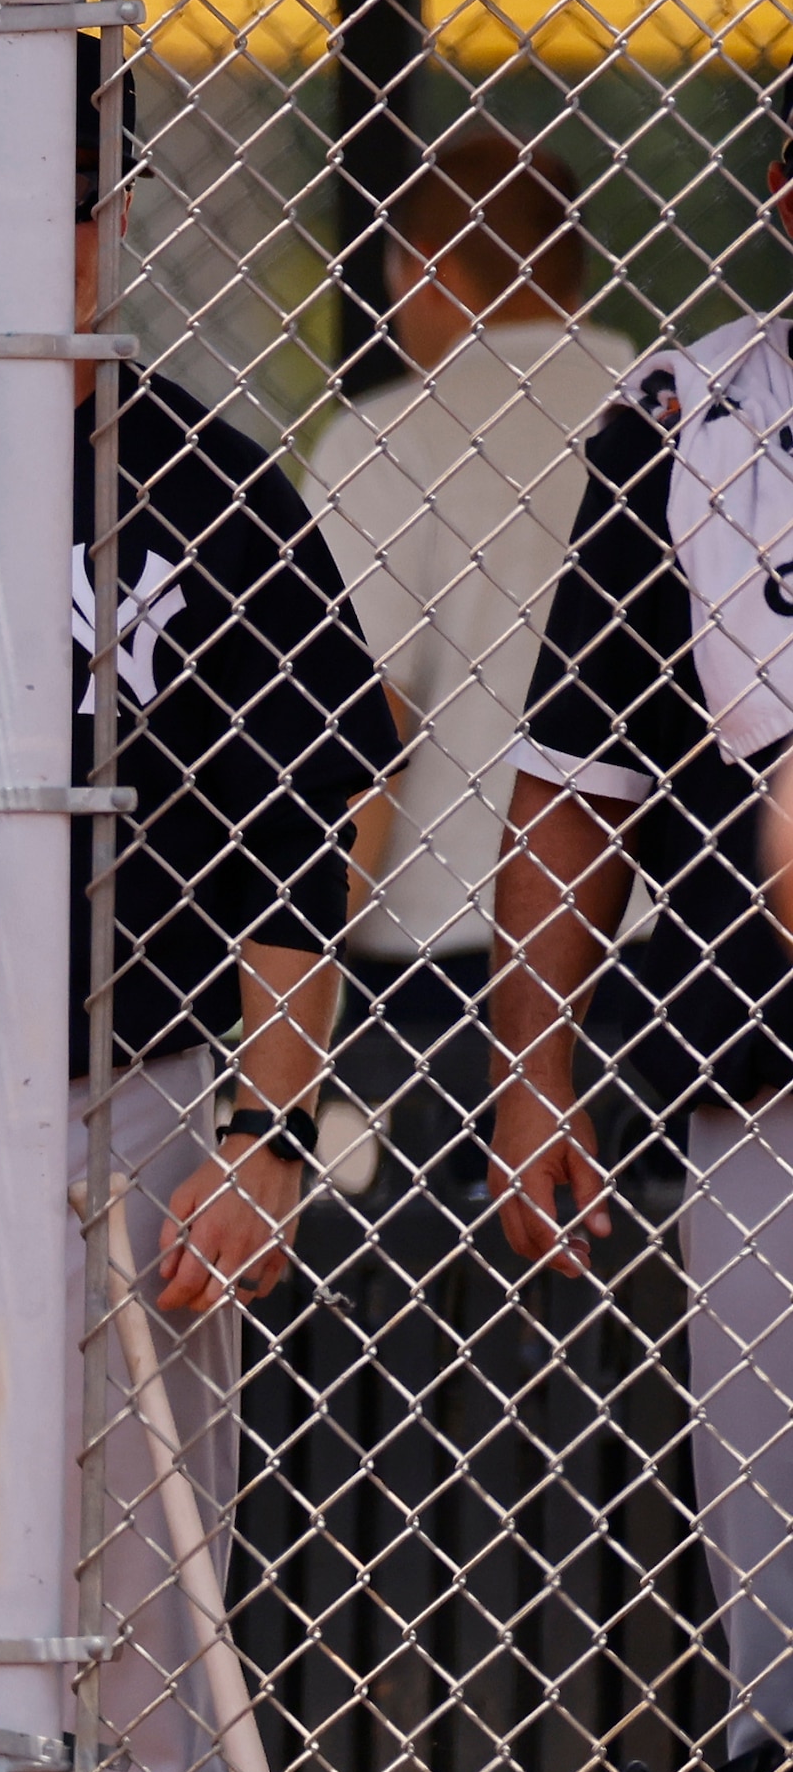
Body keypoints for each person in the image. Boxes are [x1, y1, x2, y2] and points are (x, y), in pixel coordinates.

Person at [0, 52, 387, 1772]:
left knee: (141, 1592)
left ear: (115, 215)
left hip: (139, 1091)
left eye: (75, 190)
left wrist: (265, 1133)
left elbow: (297, 841)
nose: (35, 227)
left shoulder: (206, 476)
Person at [500, 66, 793, 1764]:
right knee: (768, 1562)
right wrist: (535, 1066)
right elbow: (574, 771)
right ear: (777, 185)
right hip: (757, 1060)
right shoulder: (685, 409)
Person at [301, 139, 631, 1236]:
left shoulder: (387, 439)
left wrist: (299, 983)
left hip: (437, 957)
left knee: (418, 1319)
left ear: (422, 270)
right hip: (648, 944)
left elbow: (357, 732)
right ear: (572, 265)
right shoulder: (676, 408)